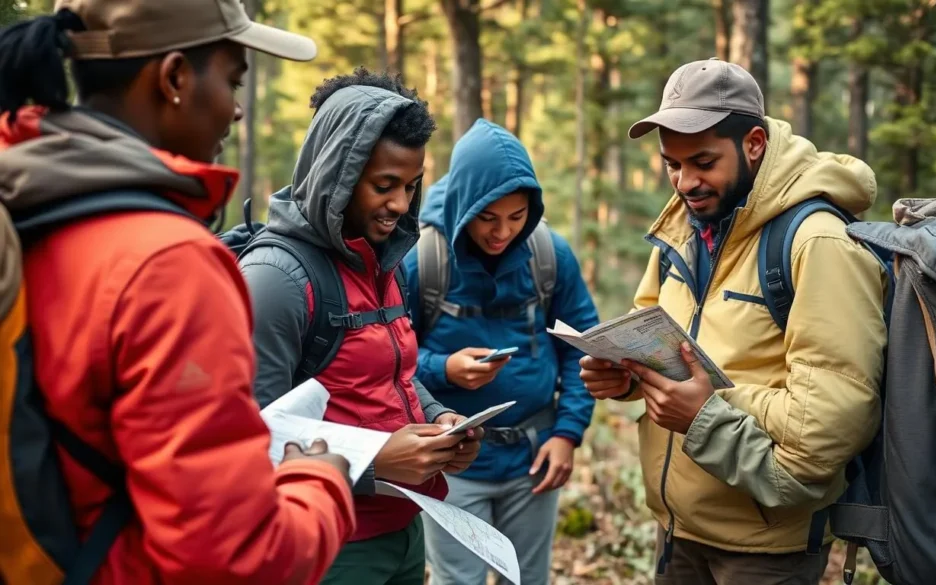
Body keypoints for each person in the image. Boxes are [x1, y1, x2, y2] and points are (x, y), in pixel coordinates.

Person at [0, 2, 357, 585]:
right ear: (173, 78)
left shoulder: (23, 198)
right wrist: (321, 481)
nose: (238, 108)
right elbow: (231, 560)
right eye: (233, 79)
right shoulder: (167, 265)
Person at [579, 58, 888, 585]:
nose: (684, 182)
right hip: (677, 530)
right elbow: (657, 329)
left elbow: (830, 426)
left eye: (702, 161)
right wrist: (627, 374)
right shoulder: (686, 226)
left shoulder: (818, 242)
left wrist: (702, 416)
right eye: (672, 165)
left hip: (765, 548)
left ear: (754, 143)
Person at [239, 67, 482, 585]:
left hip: (405, 528)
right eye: (384, 185)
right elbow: (248, 438)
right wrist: (374, 463)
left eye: (411, 186)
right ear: (336, 175)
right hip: (328, 546)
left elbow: (387, 375)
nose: (400, 204)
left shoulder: (377, 259)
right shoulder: (275, 279)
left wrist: (441, 422)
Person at [405, 118, 600, 585]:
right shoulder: (422, 259)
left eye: (516, 218)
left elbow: (584, 349)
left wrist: (568, 433)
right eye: (488, 218)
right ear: (463, 205)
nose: (502, 233)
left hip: (532, 459)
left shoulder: (549, 254)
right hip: (453, 463)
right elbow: (392, 360)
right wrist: (444, 369)